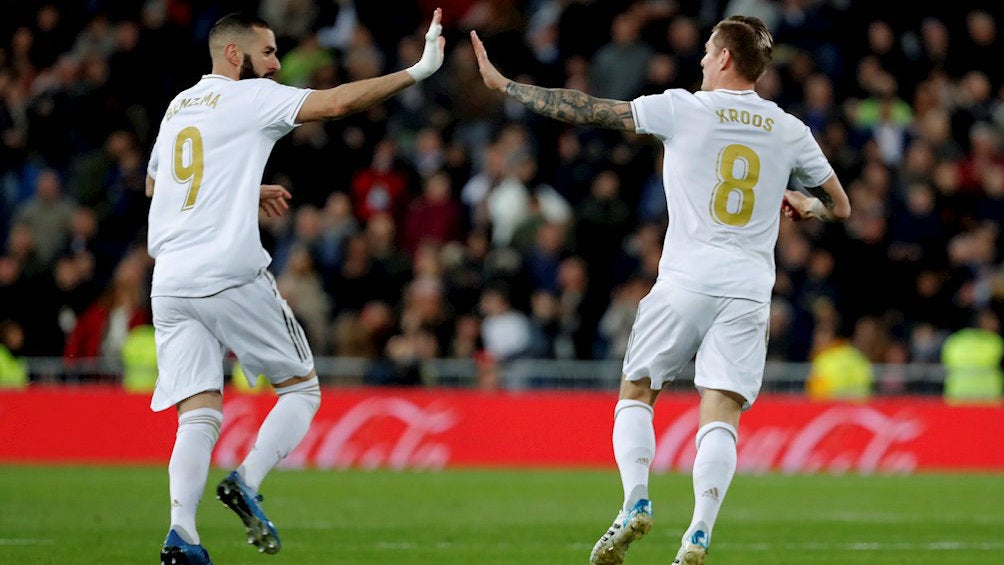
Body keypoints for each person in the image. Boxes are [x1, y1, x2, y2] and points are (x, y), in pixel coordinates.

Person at [472, 15, 850, 565]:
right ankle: (698, 533)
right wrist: (806, 203)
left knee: (637, 392)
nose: (700, 60)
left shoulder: (685, 107)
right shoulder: (790, 129)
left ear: (723, 57)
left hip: (685, 279)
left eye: (706, 51)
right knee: (721, 413)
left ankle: (635, 502)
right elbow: (841, 207)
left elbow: (589, 108)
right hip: (748, 289)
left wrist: (507, 87)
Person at [145, 10, 445, 565]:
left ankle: (181, 533)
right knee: (302, 390)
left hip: (169, 281)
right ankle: (248, 481)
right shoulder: (253, 98)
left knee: (200, 413)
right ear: (235, 54)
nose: (278, 64)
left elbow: (155, 183)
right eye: (270, 51)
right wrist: (418, 71)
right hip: (227, 272)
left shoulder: (179, 105)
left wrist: (241, 188)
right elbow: (336, 103)